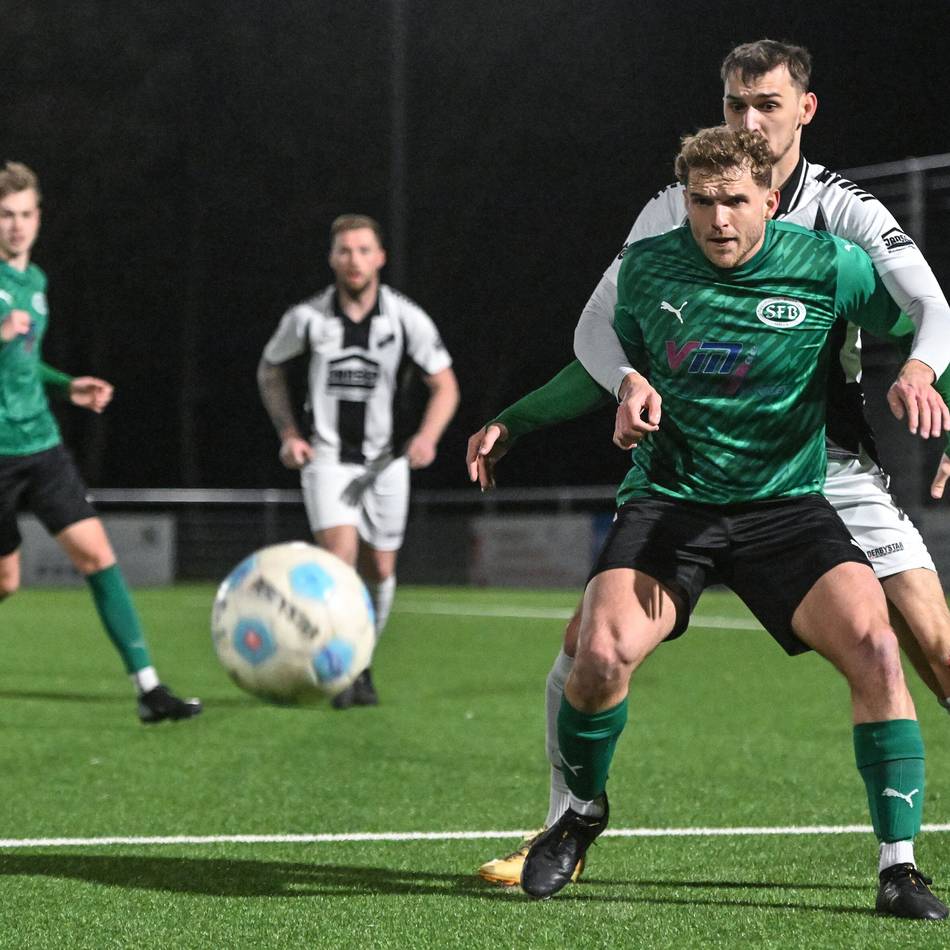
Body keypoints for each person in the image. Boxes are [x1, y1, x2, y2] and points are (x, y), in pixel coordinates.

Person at [474, 38, 950, 890]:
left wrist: (931, 386)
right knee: (592, 640)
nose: (750, 121)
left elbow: (925, 313)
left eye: (767, 104)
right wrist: (535, 413)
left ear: (803, 111)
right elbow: (601, 335)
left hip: (820, 461)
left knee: (927, 647)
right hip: (685, 471)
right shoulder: (670, 215)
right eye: (735, 105)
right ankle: (562, 822)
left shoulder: (841, 217)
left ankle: (900, 857)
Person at [0, 161, 202, 724]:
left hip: (41, 445)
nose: (16, 226)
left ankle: (149, 689)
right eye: (5, 215)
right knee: (6, 582)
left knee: (98, 555)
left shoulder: (35, 283)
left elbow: (24, 364)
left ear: (38, 218)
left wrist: (69, 387)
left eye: (24, 214)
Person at [258, 214, 459, 709]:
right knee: (339, 561)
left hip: (386, 464)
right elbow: (269, 370)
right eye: (345, 251)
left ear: (380, 258)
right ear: (332, 258)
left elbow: (445, 385)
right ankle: (340, 667)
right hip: (327, 460)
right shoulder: (307, 318)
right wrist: (288, 433)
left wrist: (428, 437)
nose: (354, 260)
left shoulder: (404, 317)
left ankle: (360, 662)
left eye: (364, 250)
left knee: (381, 569)